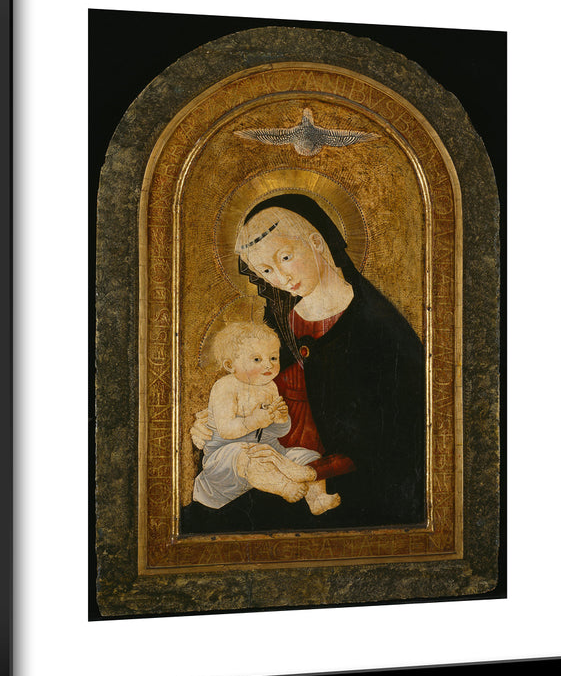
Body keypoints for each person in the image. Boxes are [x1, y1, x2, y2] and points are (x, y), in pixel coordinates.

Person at [181, 193, 426, 533]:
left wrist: (314, 471)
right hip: (272, 464)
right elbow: (255, 391)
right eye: (266, 270)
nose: (280, 277)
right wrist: (215, 424)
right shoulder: (279, 327)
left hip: (347, 486)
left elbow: (396, 436)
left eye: (285, 257)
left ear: (316, 243)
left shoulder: (378, 327)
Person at [192, 321, 341, 515]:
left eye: (273, 357)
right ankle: (284, 486)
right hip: (226, 457)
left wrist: (280, 420)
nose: (268, 365)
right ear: (230, 365)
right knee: (244, 455)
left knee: (306, 456)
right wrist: (254, 421)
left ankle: (317, 498)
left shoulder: (270, 386)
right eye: (257, 359)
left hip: (268, 450)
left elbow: (278, 432)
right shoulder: (225, 388)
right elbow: (226, 430)